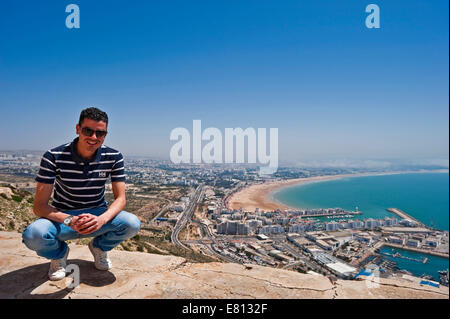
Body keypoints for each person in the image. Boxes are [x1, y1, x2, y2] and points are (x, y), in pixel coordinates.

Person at [22, 107, 141, 281]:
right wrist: (70, 220)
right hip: (63, 218)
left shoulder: (114, 156)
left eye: (100, 133)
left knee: (132, 223)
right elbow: (39, 206)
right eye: (88, 131)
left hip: (97, 216)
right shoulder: (53, 156)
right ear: (78, 129)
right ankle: (58, 255)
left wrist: (101, 219)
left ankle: (100, 248)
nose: (94, 137)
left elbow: (121, 199)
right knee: (33, 235)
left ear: (105, 134)